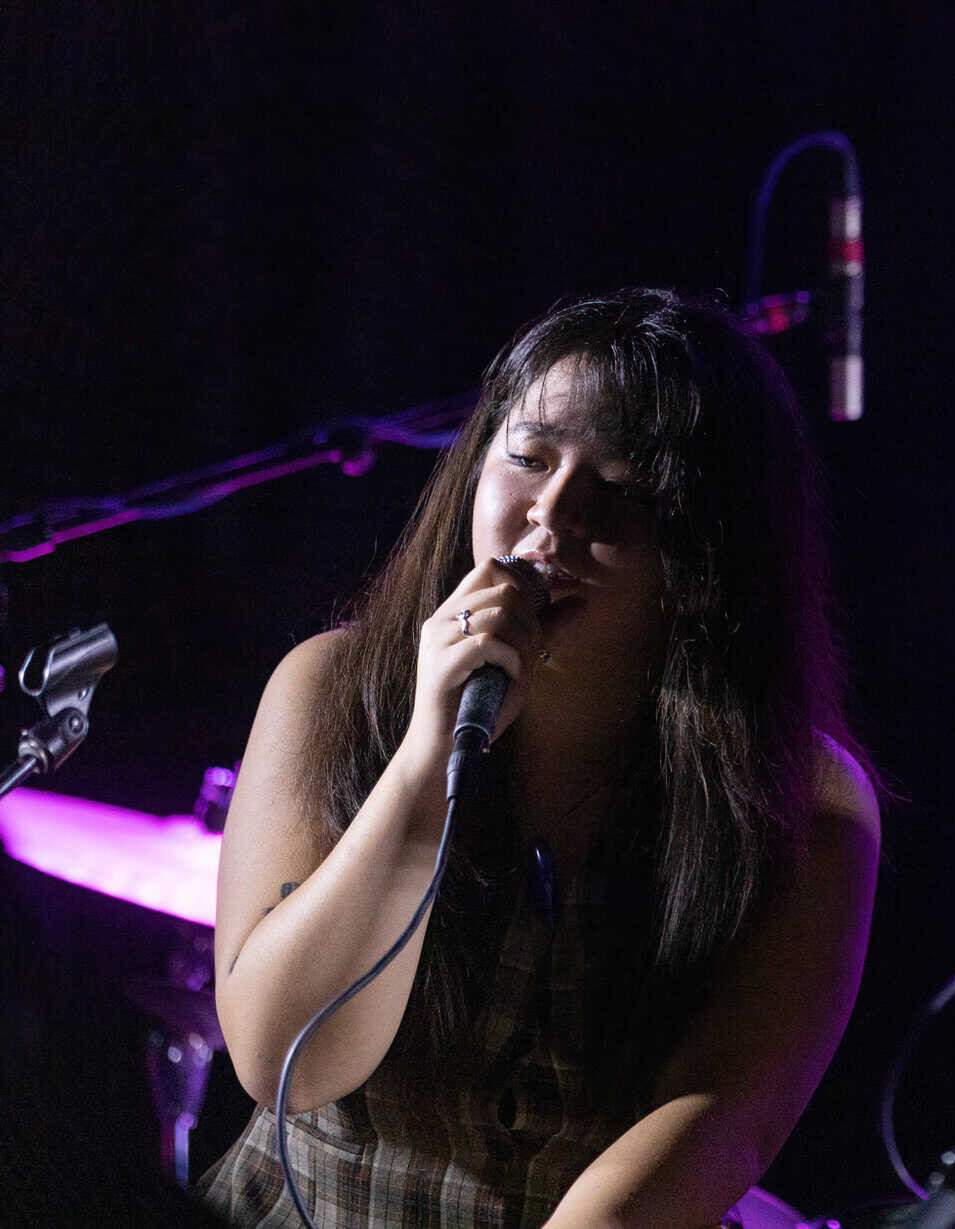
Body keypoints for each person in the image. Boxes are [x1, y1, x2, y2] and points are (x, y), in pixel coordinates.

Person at [196, 289, 880, 1227]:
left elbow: (720, 1122)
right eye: (528, 457)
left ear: (713, 541)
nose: (551, 515)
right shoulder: (329, 690)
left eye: (625, 485)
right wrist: (427, 755)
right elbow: (288, 1061)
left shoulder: (804, 801)